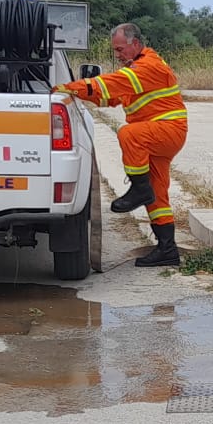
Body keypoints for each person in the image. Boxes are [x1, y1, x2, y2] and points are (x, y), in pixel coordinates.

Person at [54, 23, 188, 267]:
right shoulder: (136, 69)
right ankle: (167, 250)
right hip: (159, 134)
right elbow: (110, 96)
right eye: (115, 50)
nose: (117, 54)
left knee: (129, 134)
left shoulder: (148, 66)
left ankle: (139, 189)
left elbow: (108, 84)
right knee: (157, 194)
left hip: (166, 130)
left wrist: (67, 88)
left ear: (135, 43)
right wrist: (81, 93)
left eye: (119, 49)